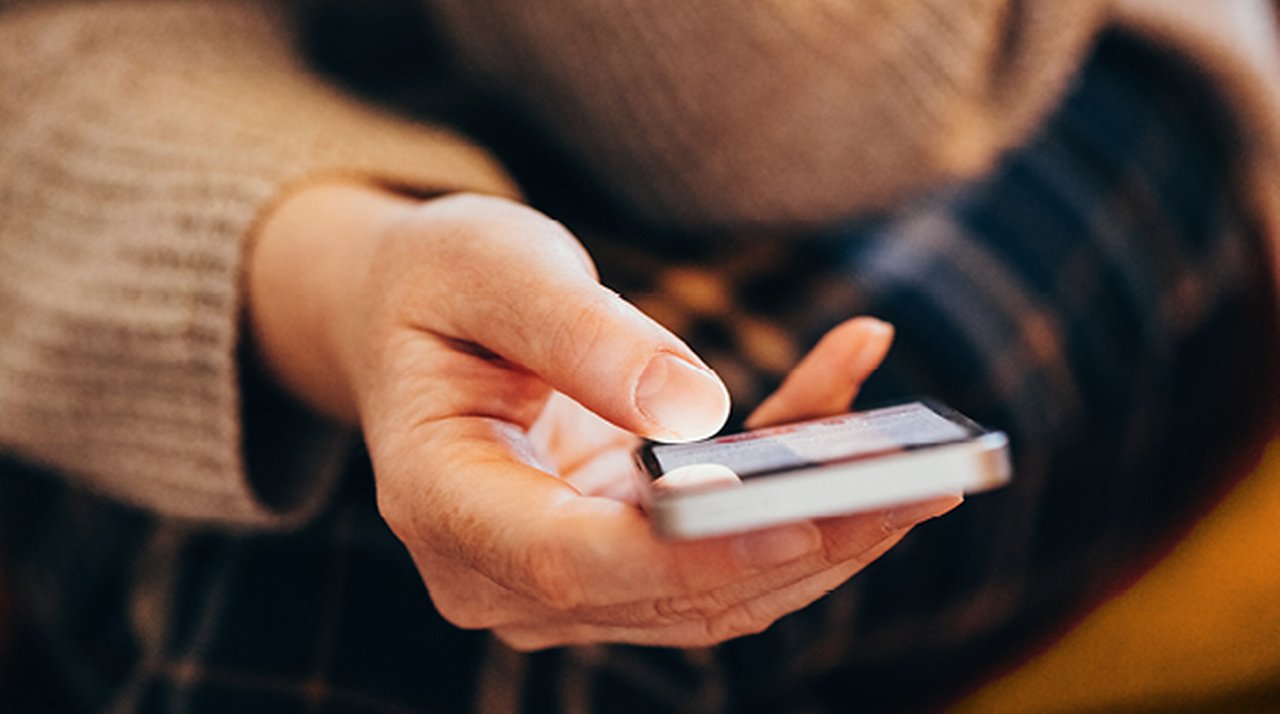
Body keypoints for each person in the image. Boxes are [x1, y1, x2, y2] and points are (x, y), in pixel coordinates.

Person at [0, 0, 1277, 712]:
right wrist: (346, 274)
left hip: (982, 81)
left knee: (436, 633)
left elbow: (806, 116)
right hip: (217, 163)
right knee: (353, 568)